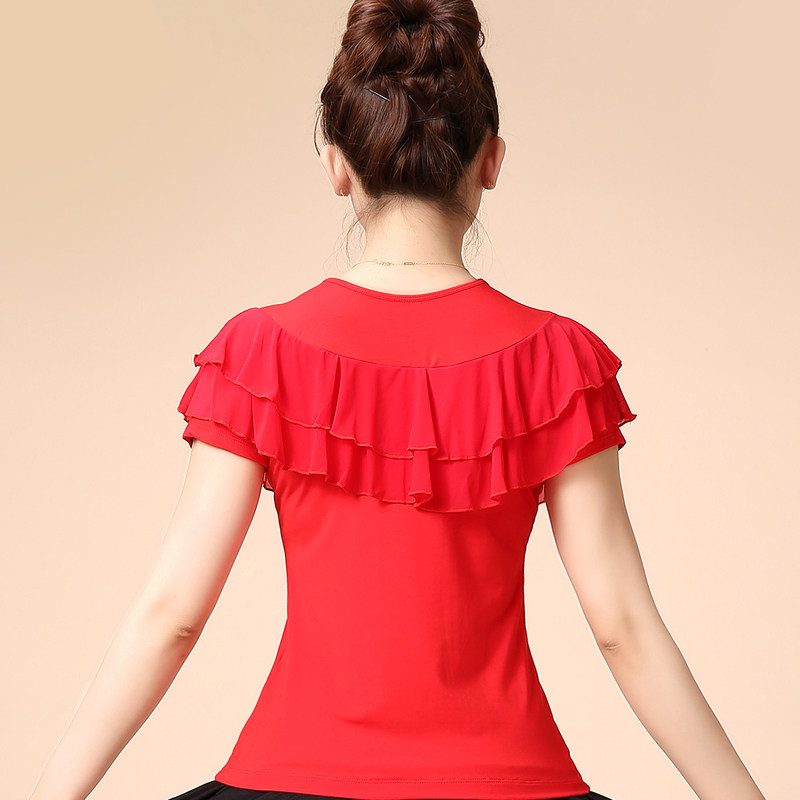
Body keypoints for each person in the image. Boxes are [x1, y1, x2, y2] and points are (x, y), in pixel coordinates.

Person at [27, 2, 767, 800]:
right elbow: (622, 628)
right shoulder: (556, 360)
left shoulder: (258, 353)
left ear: (337, 166)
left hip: (293, 774)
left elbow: (173, 615)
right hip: (508, 781)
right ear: (491, 159)